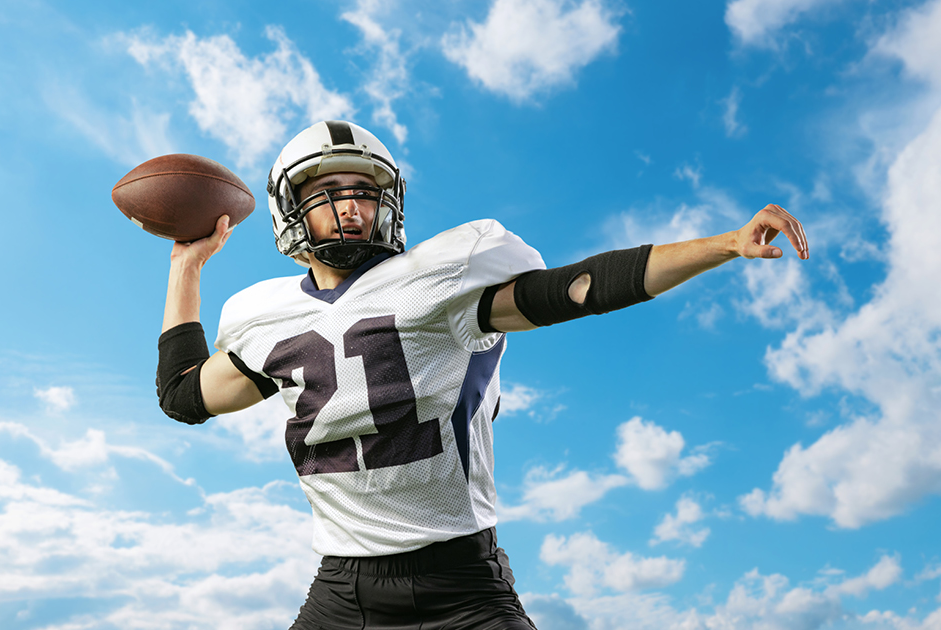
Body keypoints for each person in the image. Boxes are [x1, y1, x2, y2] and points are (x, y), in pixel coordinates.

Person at [156, 120, 808, 629]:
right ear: (289, 207)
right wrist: (187, 266)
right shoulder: (264, 315)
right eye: (328, 193)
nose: (351, 208)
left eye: (364, 191)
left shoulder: (439, 281)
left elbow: (574, 290)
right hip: (342, 592)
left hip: (461, 587)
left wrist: (724, 244)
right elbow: (185, 396)